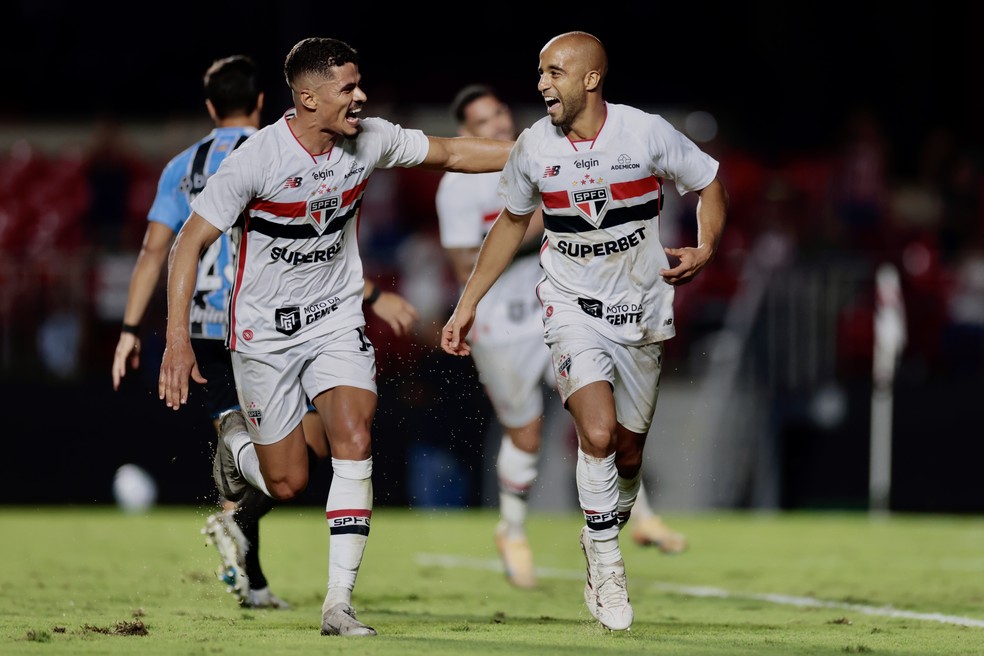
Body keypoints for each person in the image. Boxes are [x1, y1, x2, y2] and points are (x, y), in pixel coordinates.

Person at [157, 37, 513, 638]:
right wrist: (176, 339)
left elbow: (449, 151)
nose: (361, 95)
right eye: (347, 87)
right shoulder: (254, 161)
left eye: (358, 83)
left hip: (334, 319)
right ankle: (237, 450)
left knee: (353, 436)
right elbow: (187, 243)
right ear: (307, 98)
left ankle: (338, 604)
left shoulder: (368, 137)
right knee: (288, 481)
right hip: (261, 335)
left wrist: (533, 155)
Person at [441, 32, 727, 632]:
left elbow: (708, 183)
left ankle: (601, 529)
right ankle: (606, 563)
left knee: (627, 455)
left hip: (643, 309)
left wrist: (705, 247)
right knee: (594, 434)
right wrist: (467, 303)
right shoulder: (532, 148)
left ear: (591, 79)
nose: (542, 83)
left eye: (554, 72)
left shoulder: (645, 132)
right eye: (540, 72)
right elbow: (509, 226)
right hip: (570, 306)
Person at [111, 54, 419, 611]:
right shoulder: (269, 152)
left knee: (299, 454)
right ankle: (251, 575)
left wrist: (133, 328)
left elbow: (158, 247)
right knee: (297, 456)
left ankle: (239, 522)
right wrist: (372, 294)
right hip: (254, 325)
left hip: (215, 327)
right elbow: (302, 240)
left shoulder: (183, 166)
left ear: (209, 106)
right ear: (260, 102)